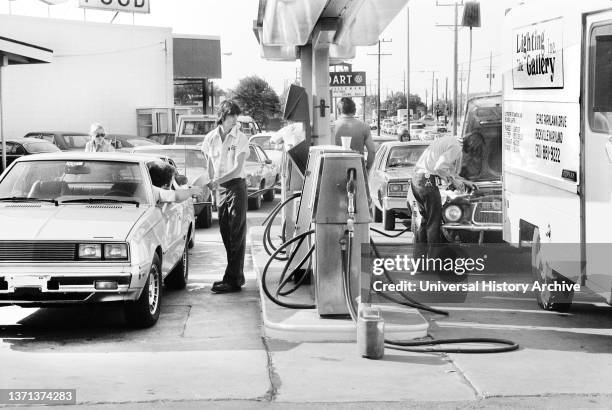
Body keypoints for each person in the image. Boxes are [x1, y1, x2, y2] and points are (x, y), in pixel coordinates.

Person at [201, 100, 250, 294]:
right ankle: (236, 275)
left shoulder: (240, 138)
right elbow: (210, 165)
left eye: (236, 116)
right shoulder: (210, 138)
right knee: (225, 232)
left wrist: (217, 181)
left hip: (236, 186)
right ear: (222, 116)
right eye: (231, 116)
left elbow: (237, 169)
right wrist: (212, 187)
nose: (235, 120)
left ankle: (231, 279)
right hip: (220, 188)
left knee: (236, 232)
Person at [411, 134, 477, 261]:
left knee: (425, 222)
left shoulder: (448, 140)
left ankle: (420, 262)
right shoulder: (456, 147)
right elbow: (440, 168)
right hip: (427, 182)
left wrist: (464, 181)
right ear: (470, 145)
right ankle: (435, 261)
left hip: (417, 180)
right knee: (434, 223)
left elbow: (447, 170)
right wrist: (455, 183)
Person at [333, 97, 376, 171]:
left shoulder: (332, 127)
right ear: (354, 111)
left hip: (336, 169)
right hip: (357, 169)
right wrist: (367, 168)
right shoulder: (364, 126)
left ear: (339, 111)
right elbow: (372, 151)